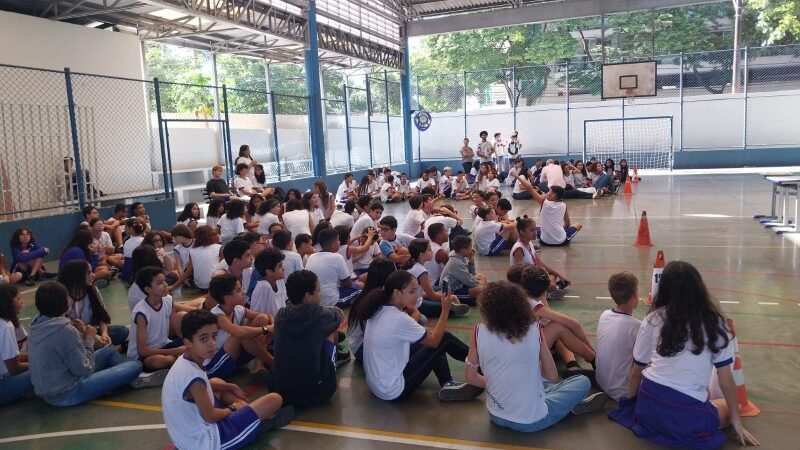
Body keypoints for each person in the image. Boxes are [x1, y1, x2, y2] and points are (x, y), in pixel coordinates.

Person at [610, 261, 759, 448]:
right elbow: (726, 380)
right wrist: (737, 422)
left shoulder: (653, 318)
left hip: (649, 406)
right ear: (699, 288)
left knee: (702, 394)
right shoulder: (715, 322)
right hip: (686, 416)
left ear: (664, 289)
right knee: (732, 407)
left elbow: (636, 371)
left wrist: (630, 406)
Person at [464, 281, 605, 433]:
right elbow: (552, 376)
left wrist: (497, 385)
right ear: (521, 305)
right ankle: (571, 405)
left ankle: (557, 400)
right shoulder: (534, 330)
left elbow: (471, 378)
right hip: (531, 421)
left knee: (535, 382)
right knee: (582, 382)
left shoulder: (478, 331)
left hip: (496, 415)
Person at [162, 309, 293, 450]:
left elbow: (202, 390)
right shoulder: (193, 377)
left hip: (187, 435)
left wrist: (230, 386)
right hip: (209, 442)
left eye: (214, 336)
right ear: (187, 342)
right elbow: (210, 416)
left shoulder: (185, 360)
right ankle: (256, 424)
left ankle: (250, 418)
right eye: (204, 339)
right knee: (275, 399)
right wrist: (232, 408)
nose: (212, 343)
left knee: (218, 383)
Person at [359, 270, 482, 402]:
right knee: (442, 338)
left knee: (433, 335)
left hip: (378, 384)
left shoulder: (380, 308)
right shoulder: (398, 318)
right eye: (412, 291)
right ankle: (481, 364)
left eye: (417, 290)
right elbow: (435, 341)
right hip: (393, 389)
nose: (417, 295)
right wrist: (445, 310)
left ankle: (447, 382)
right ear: (396, 293)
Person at [28, 282, 142, 406]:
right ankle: (126, 380)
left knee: (109, 351)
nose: (70, 299)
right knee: (135, 365)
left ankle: (118, 380)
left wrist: (79, 334)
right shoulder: (64, 330)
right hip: (68, 392)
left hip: (49, 390)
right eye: (68, 296)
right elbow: (85, 369)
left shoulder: (36, 326)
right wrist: (89, 338)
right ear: (65, 302)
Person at [271, 270, 345, 407]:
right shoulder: (321, 315)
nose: (320, 294)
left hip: (281, 392)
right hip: (317, 393)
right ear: (307, 296)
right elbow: (338, 317)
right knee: (331, 329)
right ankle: (334, 362)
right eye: (318, 290)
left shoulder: (281, 314)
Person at [520, 266, 596, 375]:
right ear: (545, 289)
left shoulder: (523, 298)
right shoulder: (536, 307)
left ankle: (573, 365)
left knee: (554, 326)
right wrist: (589, 345)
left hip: (519, 349)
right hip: (526, 357)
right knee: (558, 327)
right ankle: (594, 359)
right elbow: (574, 324)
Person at [128, 267, 193, 383]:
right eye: (160, 283)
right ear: (148, 289)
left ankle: (175, 363)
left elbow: (178, 331)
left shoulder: (168, 300)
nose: (165, 285)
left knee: (194, 345)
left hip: (165, 345)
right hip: (146, 355)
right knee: (160, 361)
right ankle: (178, 361)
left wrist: (188, 343)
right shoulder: (141, 312)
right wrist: (176, 351)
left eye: (164, 281)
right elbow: (142, 351)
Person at [204, 273, 274, 378]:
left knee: (262, 318)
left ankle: (259, 365)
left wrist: (272, 325)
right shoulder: (217, 315)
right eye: (238, 290)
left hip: (232, 357)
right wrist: (266, 329)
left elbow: (267, 315)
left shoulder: (238, 309)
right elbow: (239, 332)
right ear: (227, 298)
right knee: (240, 335)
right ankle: (274, 363)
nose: (243, 292)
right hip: (215, 365)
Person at [58, 260, 128, 348]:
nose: (94, 275)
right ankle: (105, 348)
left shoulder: (92, 290)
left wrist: (104, 334)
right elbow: (61, 327)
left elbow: (102, 316)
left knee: (122, 331)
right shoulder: (63, 297)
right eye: (89, 273)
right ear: (77, 276)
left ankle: (101, 347)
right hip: (71, 335)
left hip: (91, 331)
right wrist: (92, 337)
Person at [596, 272, 641, 402]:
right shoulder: (637, 327)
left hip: (601, 383)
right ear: (635, 295)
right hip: (623, 393)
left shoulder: (604, 315)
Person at [407, 239, 470, 318]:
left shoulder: (411, 264)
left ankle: (449, 301)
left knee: (442, 290)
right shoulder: (421, 271)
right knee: (447, 307)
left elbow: (420, 291)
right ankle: (451, 306)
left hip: (414, 298)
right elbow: (432, 296)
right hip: (416, 305)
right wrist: (449, 298)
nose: (432, 252)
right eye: (429, 250)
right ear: (421, 254)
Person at [305, 229, 359, 307]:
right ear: (333, 244)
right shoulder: (337, 257)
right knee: (360, 288)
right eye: (338, 240)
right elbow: (348, 284)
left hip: (313, 299)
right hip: (330, 300)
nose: (339, 242)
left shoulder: (311, 256)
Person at [0, 284, 33, 405]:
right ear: (8, 303)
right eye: (18, 299)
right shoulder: (5, 325)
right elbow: (13, 368)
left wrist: (35, 356)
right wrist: (37, 363)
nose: (22, 301)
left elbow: (12, 358)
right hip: (3, 386)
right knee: (47, 368)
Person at [440, 236, 488, 305]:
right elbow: (469, 281)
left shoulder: (459, 256)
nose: (472, 250)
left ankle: (482, 296)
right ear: (464, 250)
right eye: (470, 247)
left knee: (481, 276)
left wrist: (471, 262)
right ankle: (483, 297)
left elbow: (471, 275)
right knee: (480, 289)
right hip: (452, 291)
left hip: (459, 284)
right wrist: (481, 285)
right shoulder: (456, 262)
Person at [249, 249, 287, 316]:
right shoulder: (263, 287)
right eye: (280, 266)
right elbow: (257, 317)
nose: (283, 268)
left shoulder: (279, 281)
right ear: (269, 271)